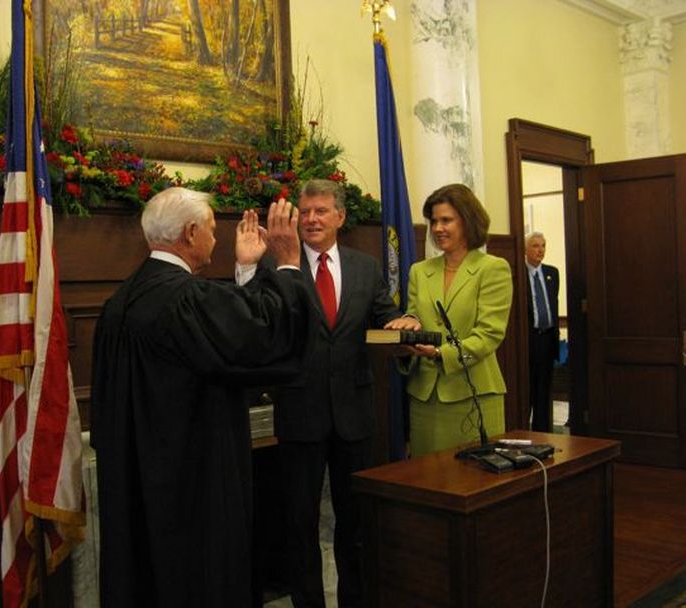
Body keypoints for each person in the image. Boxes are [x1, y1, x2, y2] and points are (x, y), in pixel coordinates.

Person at [90, 187, 316, 607]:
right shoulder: (184, 297)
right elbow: (265, 339)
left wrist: (247, 268)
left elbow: (229, 340)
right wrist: (286, 263)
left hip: (137, 479)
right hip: (191, 483)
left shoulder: (120, 303)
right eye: (212, 229)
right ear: (190, 232)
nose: (216, 238)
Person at [241, 178, 418, 608]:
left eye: (321, 211)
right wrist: (247, 269)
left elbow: (385, 316)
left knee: (355, 523)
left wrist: (405, 322)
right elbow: (252, 319)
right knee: (299, 525)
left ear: (340, 216)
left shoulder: (365, 266)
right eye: (305, 212)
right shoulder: (277, 264)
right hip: (299, 414)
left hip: (355, 415)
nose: (312, 219)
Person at [385, 183, 513, 456]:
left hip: (473, 395)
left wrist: (442, 354)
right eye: (433, 221)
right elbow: (416, 314)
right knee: (429, 484)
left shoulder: (492, 269)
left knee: (473, 483)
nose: (438, 228)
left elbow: (489, 334)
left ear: (468, 220)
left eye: (446, 220)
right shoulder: (419, 271)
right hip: (425, 398)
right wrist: (407, 330)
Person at [525, 230, 560, 432]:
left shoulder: (551, 273)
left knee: (544, 393)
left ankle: (544, 435)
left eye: (543, 245)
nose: (540, 250)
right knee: (528, 391)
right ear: (525, 249)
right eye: (535, 246)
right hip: (529, 341)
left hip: (547, 339)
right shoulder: (520, 274)